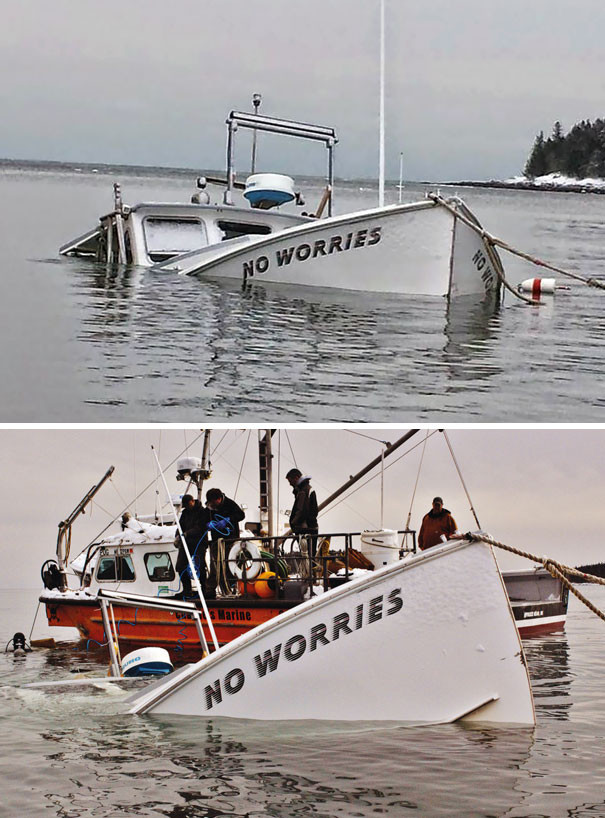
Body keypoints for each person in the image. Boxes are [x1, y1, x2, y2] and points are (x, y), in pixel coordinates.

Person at [205, 488, 246, 598]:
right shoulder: (209, 508)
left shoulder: (230, 504)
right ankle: (211, 590)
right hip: (216, 541)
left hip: (229, 540)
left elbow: (241, 515)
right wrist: (207, 524)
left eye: (213, 503)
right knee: (215, 566)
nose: (212, 506)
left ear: (218, 499)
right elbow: (203, 518)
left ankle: (231, 588)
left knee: (229, 565)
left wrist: (228, 520)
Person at [175, 494, 209, 597]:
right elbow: (180, 526)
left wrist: (187, 533)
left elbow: (200, 527)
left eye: (187, 504)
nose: (187, 507)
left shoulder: (202, 512)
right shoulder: (185, 513)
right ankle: (187, 589)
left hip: (199, 543)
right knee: (180, 566)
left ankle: (204, 589)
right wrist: (177, 537)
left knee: (200, 566)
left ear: (192, 501)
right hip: (186, 543)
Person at [286, 468, 319, 554]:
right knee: (310, 555)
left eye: (290, 481)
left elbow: (302, 511)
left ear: (296, 478)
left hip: (306, 529)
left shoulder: (303, 491)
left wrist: (294, 523)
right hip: (311, 527)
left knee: (307, 555)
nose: (290, 484)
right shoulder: (306, 489)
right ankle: (311, 566)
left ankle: (310, 567)